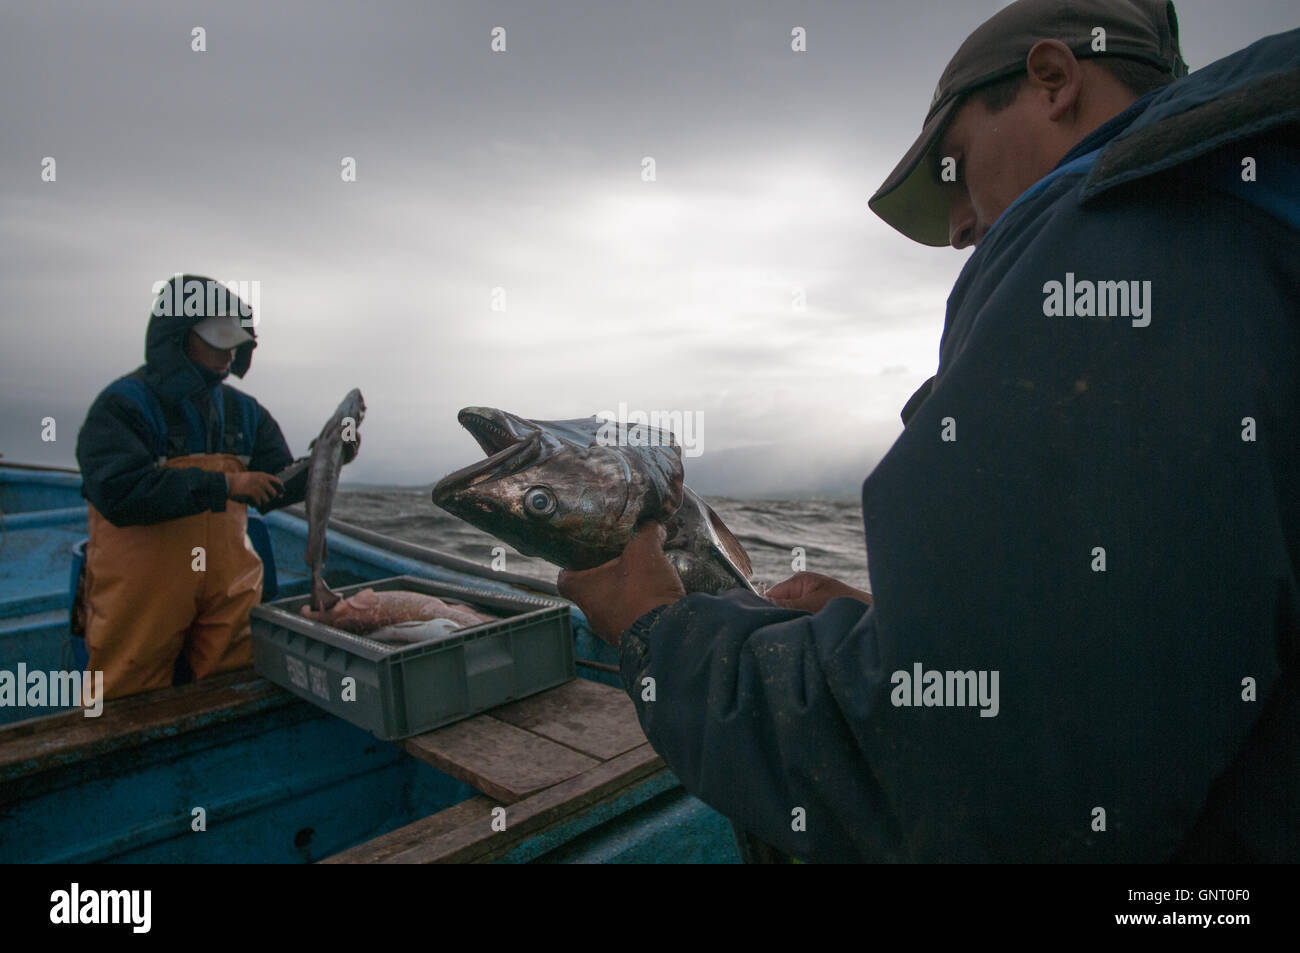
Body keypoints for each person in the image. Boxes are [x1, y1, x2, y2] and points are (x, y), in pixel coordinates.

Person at [558, 0, 1300, 862]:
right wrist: (908, 632)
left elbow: (976, 789)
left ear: (1054, 81)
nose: (955, 231)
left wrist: (661, 632)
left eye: (952, 167)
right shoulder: (1253, 224)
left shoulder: (1133, 248)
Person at [75, 275, 320, 700]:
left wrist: (324, 463)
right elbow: (118, 492)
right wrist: (225, 484)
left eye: (234, 341)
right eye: (216, 339)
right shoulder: (123, 405)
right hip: (141, 593)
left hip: (229, 587)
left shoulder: (245, 413)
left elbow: (274, 487)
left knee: (234, 680)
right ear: (177, 337)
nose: (228, 351)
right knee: (126, 688)